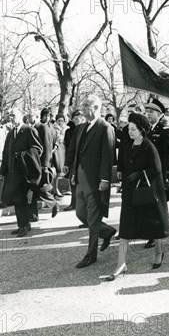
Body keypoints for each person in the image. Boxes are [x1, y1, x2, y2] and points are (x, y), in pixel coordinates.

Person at [106, 112, 169, 280]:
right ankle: (121, 264)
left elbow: (156, 169)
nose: (130, 132)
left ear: (142, 130)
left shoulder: (149, 146)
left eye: (134, 129)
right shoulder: (128, 145)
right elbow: (122, 161)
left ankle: (159, 253)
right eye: (129, 129)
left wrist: (139, 174)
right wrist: (122, 173)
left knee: (153, 226)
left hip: (147, 192)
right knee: (126, 227)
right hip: (130, 191)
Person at [65, 95, 116, 268]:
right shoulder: (81, 127)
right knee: (81, 213)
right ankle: (107, 231)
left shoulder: (105, 128)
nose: (82, 108)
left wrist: (105, 179)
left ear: (95, 108)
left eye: (86, 105)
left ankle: (90, 254)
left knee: (93, 218)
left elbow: (107, 156)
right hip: (79, 178)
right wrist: (68, 166)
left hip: (95, 181)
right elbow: (73, 149)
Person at [0, 108, 43, 238]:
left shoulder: (29, 130)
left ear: (21, 116)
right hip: (12, 173)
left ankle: (24, 225)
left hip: (25, 172)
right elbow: (6, 154)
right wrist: (2, 171)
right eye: (9, 116)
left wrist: (23, 155)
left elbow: (38, 149)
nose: (11, 118)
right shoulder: (11, 133)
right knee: (16, 200)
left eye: (14, 115)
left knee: (20, 198)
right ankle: (23, 224)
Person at [144, 98, 169, 248]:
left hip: (160, 173)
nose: (148, 114)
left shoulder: (164, 131)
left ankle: (155, 233)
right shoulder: (147, 130)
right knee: (151, 203)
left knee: (156, 203)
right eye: (147, 112)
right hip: (148, 174)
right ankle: (159, 226)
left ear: (159, 114)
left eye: (151, 112)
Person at [31, 107, 59, 221]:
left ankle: (53, 203)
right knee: (33, 190)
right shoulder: (39, 127)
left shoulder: (43, 128)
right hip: (36, 163)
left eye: (48, 116)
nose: (46, 118)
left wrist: (45, 164)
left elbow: (47, 147)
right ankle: (33, 215)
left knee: (40, 188)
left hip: (40, 163)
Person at [64, 110, 85, 211]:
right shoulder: (70, 131)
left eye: (78, 118)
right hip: (73, 159)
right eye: (74, 119)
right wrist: (67, 163)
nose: (76, 120)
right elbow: (70, 147)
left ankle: (80, 204)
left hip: (83, 160)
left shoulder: (85, 128)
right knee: (73, 182)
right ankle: (73, 203)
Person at [52, 114, 67, 198]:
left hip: (63, 150)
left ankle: (56, 188)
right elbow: (58, 139)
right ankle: (55, 189)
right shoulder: (55, 128)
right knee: (57, 171)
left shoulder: (65, 128)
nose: (60, 122)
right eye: (59, 121)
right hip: (57, 151)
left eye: (62, 120)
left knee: (60, 171)